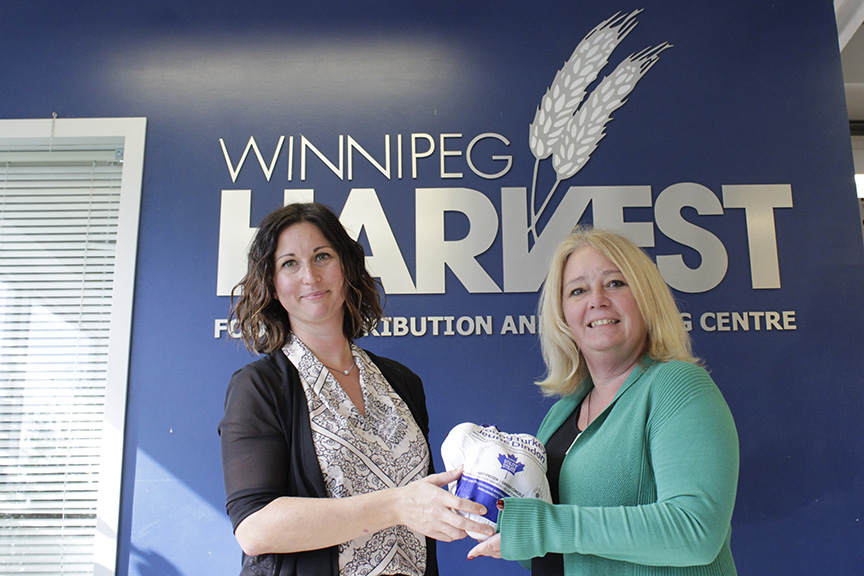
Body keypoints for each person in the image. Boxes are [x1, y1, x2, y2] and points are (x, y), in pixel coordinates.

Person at [218, 202, 493, 576]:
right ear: (272, 283)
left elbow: (421, 501)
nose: (310, 276)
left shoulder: (401, 382)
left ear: (345, 267)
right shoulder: (260, 387)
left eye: (322, 256)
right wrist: (397, 505)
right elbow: (255, 528)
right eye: (289, 264)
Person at [468, 226, 739, 575]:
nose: (597, 299)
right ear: (563, 316)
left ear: (646, 297)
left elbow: (694, 531)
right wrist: (491, 516)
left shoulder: (677, 386)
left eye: (615, 283)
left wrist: (541, 526)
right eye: (578, 290)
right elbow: (552, 547)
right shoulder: (561, 415)